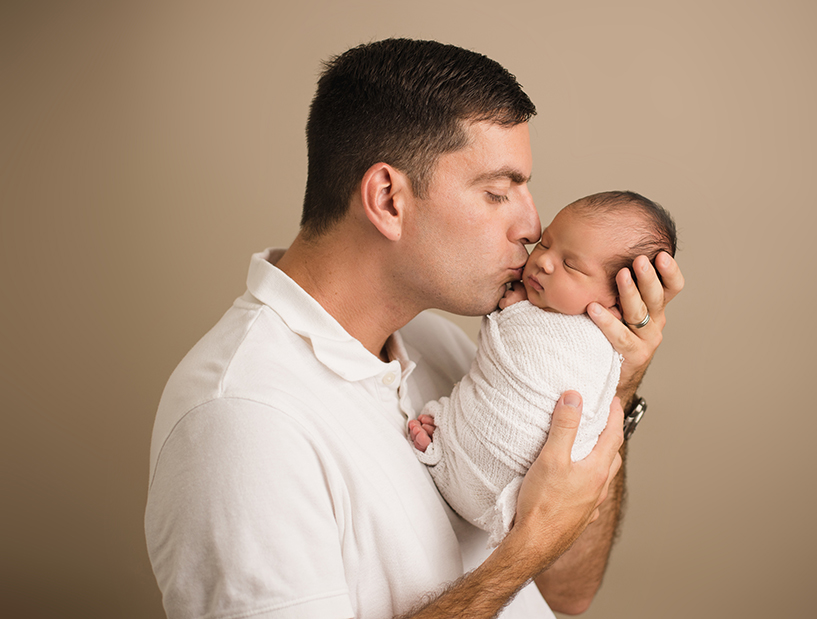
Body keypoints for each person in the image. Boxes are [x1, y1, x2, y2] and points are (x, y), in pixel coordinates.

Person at [145, 38, 683, 619]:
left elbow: (567, 593)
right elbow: (536, 560)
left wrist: (618, 384)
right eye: (498, 192)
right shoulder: (242, 420)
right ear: (388, 199)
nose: (532, 224)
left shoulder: (455, 350)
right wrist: (524, 547)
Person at [408, 191, 677, 547]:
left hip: (516, 494)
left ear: (617, 301)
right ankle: (454, 445)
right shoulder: (515, 318)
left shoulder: (595, 342)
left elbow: (572, 593)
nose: (544, 261)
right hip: (485, 489)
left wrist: (516, 313)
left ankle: (451, 449)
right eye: (546, 243)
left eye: (572, 266)